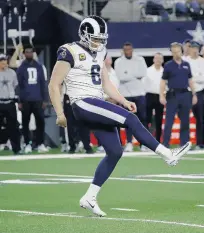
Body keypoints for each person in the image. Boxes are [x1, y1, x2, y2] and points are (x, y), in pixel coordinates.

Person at [48, 16, 191, 217]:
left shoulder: (100, 52)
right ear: (84, 34)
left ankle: (89, 197)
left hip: (96, 101)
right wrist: (60, 113)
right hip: (82, 103)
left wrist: (123, 100)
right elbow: (54, 84)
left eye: (101, 38)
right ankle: (167, 154)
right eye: (95, 38)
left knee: (115, 151)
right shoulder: (69, 51)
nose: (99, 42)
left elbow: (106, 83)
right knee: (131, 120)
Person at [160, 42, 197, 148]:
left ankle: (184, 144)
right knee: (169, 121)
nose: (176, 53)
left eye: (178, 51)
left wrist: (194, 94)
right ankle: (166, 144)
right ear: (171, 52)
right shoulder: (168, 65)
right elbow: (163, 81)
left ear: (181, 51)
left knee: (185, 121)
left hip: (185, 94)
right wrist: (161, 96)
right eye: (174, 51)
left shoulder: (186, 64)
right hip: (172, 95)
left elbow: (190, 80)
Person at [114, 42, 148, 152]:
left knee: (143, 119)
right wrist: (134, 76)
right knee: (128, 120)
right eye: (125, 50)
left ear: (132, 50)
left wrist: (128, 75)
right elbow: (120, 77)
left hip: (140, 93)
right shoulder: (119, 61)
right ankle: (129, 143)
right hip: (126, 95)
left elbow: (143, 73)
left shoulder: (140, 59)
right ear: (123, 51)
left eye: (129, 50)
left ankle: (143, 144)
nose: (128, 52)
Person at [17, 44, 49, 153]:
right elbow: (19, 85)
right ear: (24, 53)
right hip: (25, 99)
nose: (29, 53)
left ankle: (40, 143)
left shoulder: (39, 66)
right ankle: (27, 144)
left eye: (31, 51)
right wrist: (19, 101)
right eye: (27, 52)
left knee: (41, 122)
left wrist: (45, 99)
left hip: (38, 99)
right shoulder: (21, 67)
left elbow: (43, 84)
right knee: (25, 123)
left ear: (33, 53)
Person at [184, 41, 204, 149]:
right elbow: (184, 78)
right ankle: (186, 143)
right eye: (193, 48)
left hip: (199, 92)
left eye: (196, 48)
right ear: (189, 49)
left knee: (200, 118)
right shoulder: (185, 60)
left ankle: (200, 143)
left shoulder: (203, 61)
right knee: (185, 118)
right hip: (187, 92)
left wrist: (192, 78)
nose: (195, 50)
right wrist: (194, 77)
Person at [0, 54, 21, 154]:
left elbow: (15, 86)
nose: (4, 62)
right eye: (1, 61)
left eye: (5, 60)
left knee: (13, 127)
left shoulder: (12, 73)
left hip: (10, 102)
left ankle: (16, 149)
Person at [142, 53, 164, 142]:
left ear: (162, 60)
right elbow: (143, 84)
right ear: (153, 60)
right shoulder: (148, 71)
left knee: (159, 120)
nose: (158, 60)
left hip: (160, 96)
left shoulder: (164, 71)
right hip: (149, 96)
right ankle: (146, 142)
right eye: (156, 58)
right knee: (147, 119)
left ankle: (158, 140)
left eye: (160, 58)